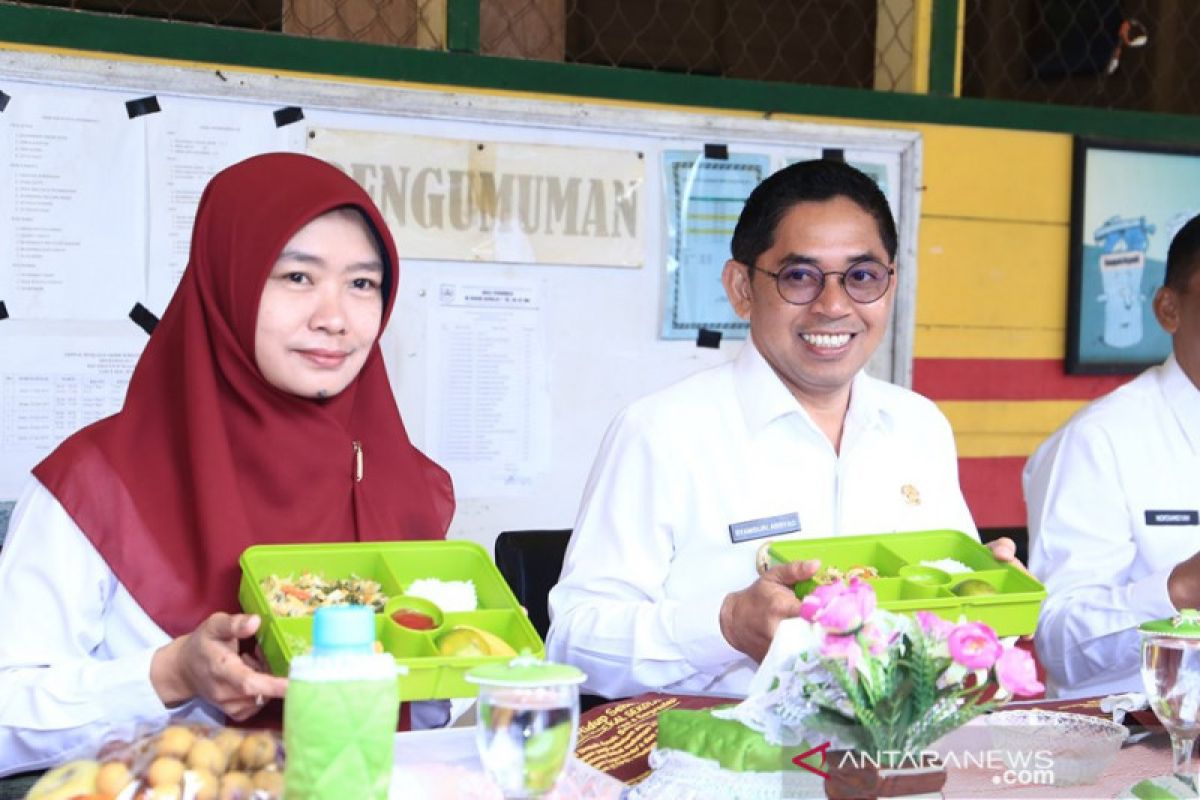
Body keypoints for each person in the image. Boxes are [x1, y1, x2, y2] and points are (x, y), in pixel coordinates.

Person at [0, 153, 455, 775]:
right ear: (227, 282)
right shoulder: (98, 481)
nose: (334, 317)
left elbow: (428, 727)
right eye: (297, 277)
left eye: (362, 284)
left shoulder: (403, 481)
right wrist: (169, 673)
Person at [546, 159, 1016, 699]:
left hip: (894, 755)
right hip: (722, 767)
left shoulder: (919, 426)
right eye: (799, 276)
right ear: (741, 287)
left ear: (891, 286)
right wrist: (725, 625)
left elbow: (950, 626)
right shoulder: (662, 432)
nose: (834, 305)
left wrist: (986, 599)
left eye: (862, 277)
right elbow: (573, 640)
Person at [1026, 213, 1200, 700]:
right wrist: (1180, 591)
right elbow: (1058, 645)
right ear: (1169, 308)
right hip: (1134, 749)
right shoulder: (1098, 441)